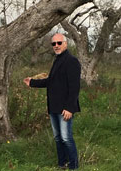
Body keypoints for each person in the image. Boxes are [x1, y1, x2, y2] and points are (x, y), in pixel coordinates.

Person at [24, 33, 81, 170]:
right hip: (53, 107)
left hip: (64, 108)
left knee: (66, 138)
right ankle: (62, 164)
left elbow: (74, 87)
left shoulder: (71, 61)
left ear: (65, 44)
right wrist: (32, 82)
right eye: (53, 44)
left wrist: (69, 108)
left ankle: (73, 167)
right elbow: (51, 81)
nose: (56, 46)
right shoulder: (57, 60)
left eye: (59, 43)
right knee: (58, 138)